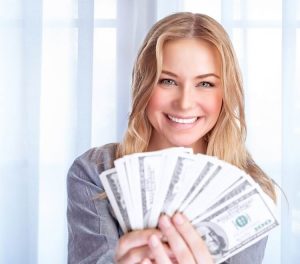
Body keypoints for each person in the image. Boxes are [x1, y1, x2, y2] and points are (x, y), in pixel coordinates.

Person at [67, 12, 276, 263]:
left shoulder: (249, 189)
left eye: (205, 84)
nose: (185, 103)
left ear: (226, 93)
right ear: (144, 85)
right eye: (167, 81)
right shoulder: (95, 171)